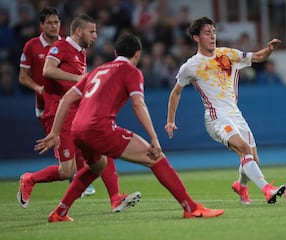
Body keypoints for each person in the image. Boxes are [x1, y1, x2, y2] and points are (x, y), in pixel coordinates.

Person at [34, 33, 224, 222]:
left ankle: (59, 212)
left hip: (77, 130)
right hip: (99, 128)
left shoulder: (97, 70)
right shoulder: (131, 71)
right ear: (137, 54)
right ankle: (190, 208)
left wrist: (55, 132)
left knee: (97, 166)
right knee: (155, 157)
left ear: (116, 52)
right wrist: (154, 137)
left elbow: (66, 99)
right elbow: (138, 104)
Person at [18, 13, 138, 213]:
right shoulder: (60, 47)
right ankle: (30, 179)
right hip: (60, 114)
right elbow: (48, 70)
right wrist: (80, 78)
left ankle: (115, 199)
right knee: (67, 171)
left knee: (102, 152)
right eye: (92, 31)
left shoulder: (79, 52)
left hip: (78, 114)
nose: (95, 36)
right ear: (79, 31)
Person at [165, 16, 286, 205]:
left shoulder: (227, 54)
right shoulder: (191, 66)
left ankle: (241, 186)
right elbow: (175, 93)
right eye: (207, 33)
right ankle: (267, 189)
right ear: (196, 38)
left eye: (213, 32)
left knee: (252, 157)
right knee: (244, 149)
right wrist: (170, 121)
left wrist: (269, 49)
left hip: (235, 114)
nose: (212, 36)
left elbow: (258, 56)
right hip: (216, 118)